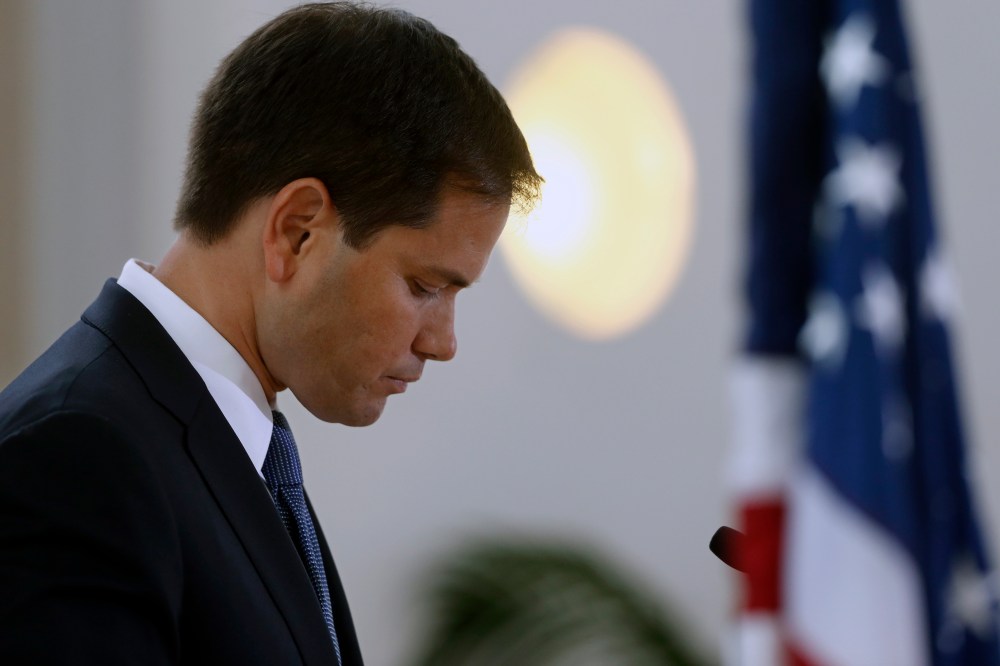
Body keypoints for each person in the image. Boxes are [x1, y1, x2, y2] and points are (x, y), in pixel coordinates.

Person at [0, 3, 541, 664]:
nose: (442, 342)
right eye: (425, 287)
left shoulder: (226, 448)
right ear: (298, 229)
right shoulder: (78, 457)